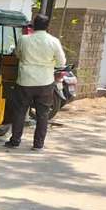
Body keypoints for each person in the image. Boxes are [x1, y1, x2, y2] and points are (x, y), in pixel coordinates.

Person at [6, 13, 66, 151]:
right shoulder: (54, 41)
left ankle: (15, 141)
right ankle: (38, 145)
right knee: (43, 114)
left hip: (25, 81)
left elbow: (17, 54)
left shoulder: (24, 39)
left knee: (20, 111)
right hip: (45, 82)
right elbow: (62, 62)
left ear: (33, 25)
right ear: (47, 26)